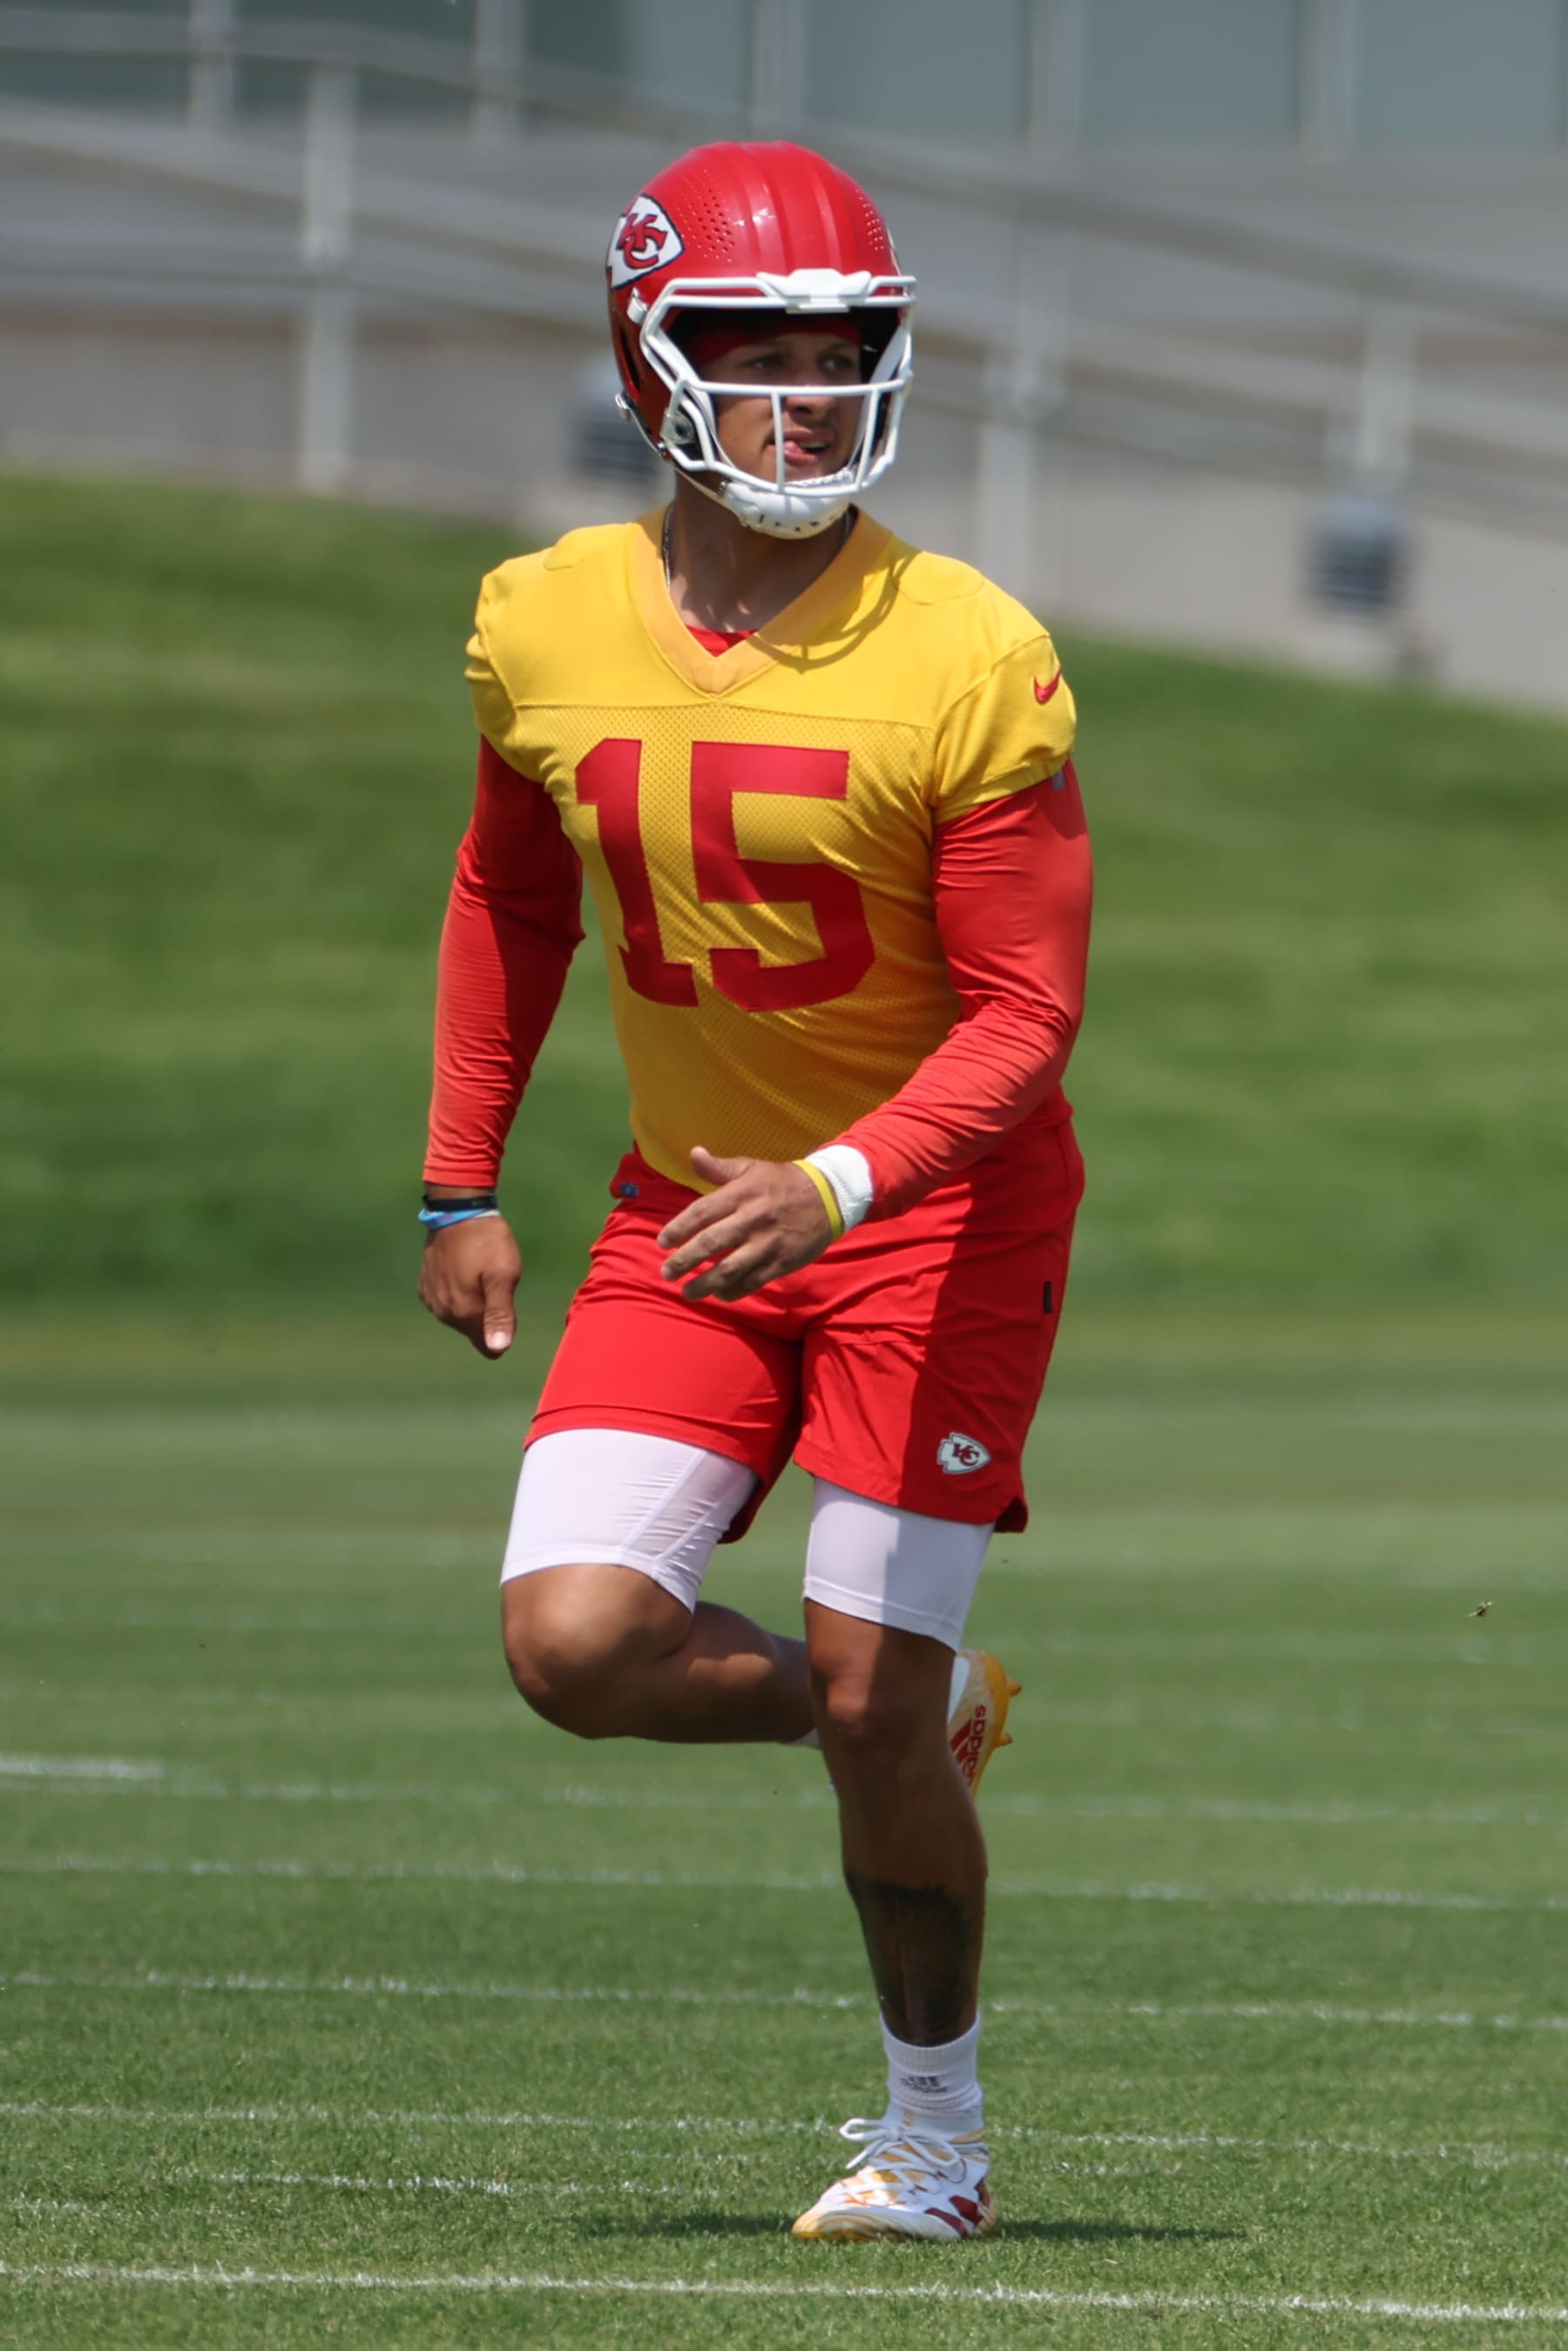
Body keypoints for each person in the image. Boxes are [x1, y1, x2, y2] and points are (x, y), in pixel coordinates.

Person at [417, 138, 1092, 2242]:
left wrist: (840, 1172)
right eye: (752, 348)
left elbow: (1026, 1012)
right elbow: (506, 894)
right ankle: (924, 1702)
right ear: (651, 359)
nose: (803, 394)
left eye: (841, 352)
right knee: (577, 1644)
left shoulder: (971, 649)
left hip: (937, 1217)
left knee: (869, 1696)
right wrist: (458, 1180)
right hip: (686, 1213)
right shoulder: (539, 614)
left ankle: (940, 2142)